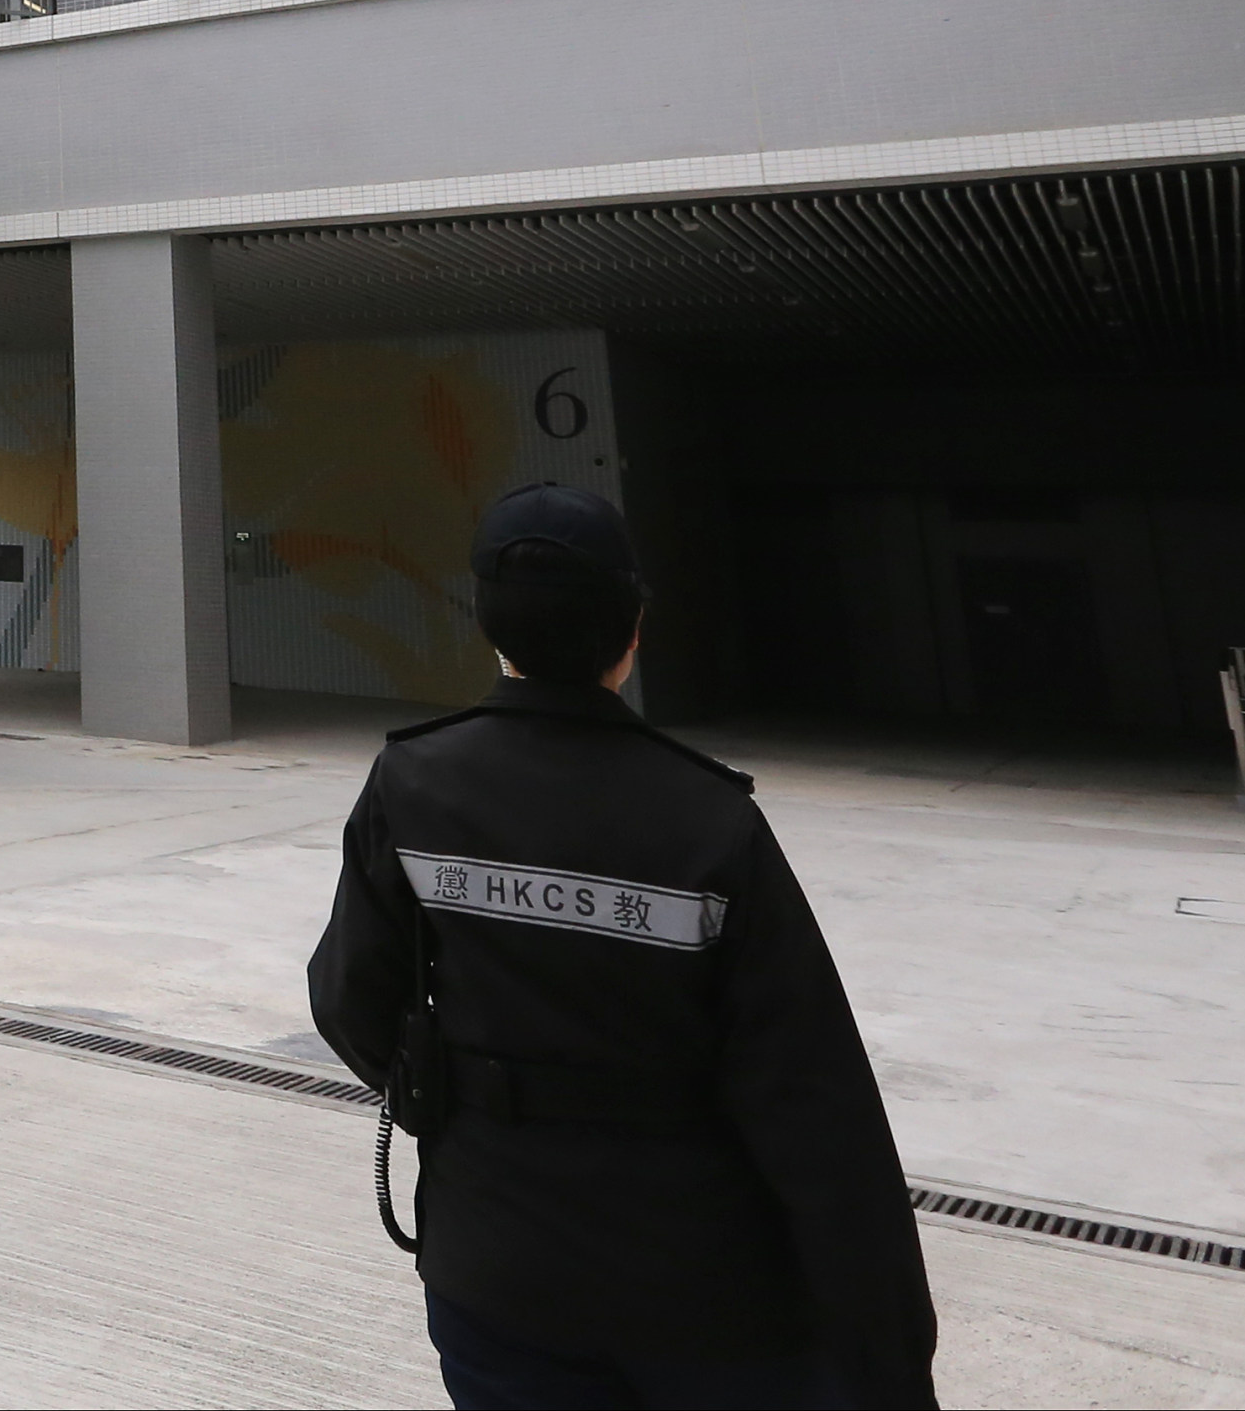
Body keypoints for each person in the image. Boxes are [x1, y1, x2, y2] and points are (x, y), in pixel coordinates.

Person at [309, 484, 935, 1411]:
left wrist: (456, 1098)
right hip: (701, 1289)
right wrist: (888, 1354)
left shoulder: (411, 783)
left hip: (495, 1265)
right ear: (630, 629)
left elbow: (348, 995)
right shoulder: (710, 819)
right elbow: (814, 1104)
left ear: (490, 629)